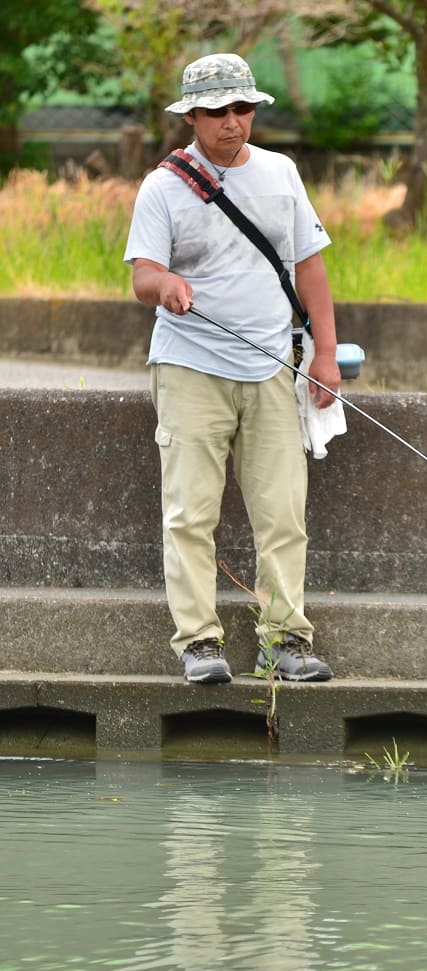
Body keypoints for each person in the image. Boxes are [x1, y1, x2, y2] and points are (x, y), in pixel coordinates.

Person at [124, 52, 340, 685]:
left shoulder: (282, 174)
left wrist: (325, 353)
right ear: (192, 115)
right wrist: (164, 285)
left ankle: (287, 641)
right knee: (189, 513)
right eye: (216, 111)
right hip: (190, 366)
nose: (231, 122)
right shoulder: (163, 185)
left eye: (242, 108)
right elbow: (142, 274)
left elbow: (310, 266)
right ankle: (198, 643)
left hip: (272, 366)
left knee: (282, 512)